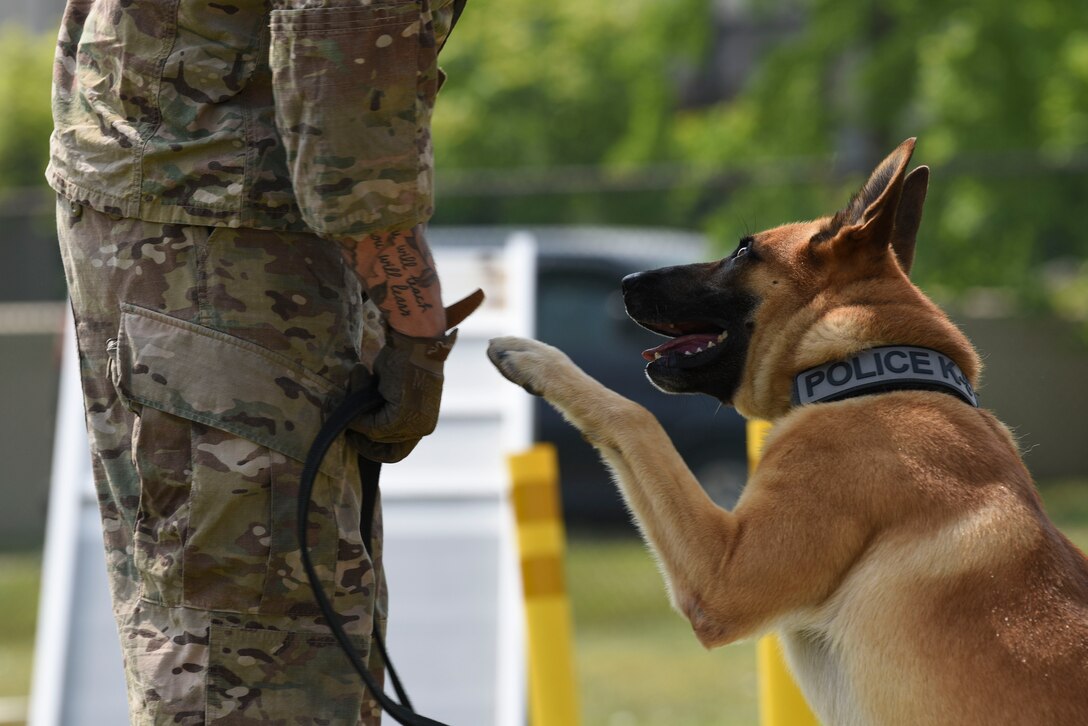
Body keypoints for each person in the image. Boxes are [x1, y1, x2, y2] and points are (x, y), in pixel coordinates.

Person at [47, 1, 468, 723]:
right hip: (222, 241)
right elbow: (346, 105)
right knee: (254, 660)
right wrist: (416, 332)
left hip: (180, 212)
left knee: (228, 629)